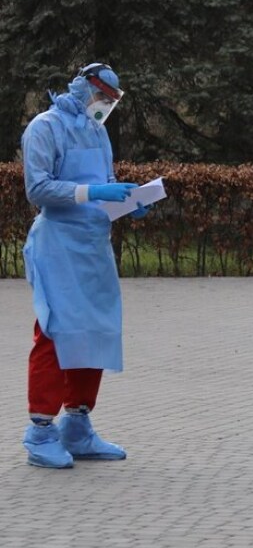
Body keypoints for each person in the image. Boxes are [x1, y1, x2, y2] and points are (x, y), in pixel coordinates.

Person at [21, 62, 149, 469]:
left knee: (95, 331)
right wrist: (93, 190)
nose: (106, 106)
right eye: (103, 97)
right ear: (82, 89)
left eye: (112, 101)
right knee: (56, 332)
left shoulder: (98, 131)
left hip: (93, 246)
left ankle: (77, 425)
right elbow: (38, 188)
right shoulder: (45, 127)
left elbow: (105, 182)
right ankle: (41, 430)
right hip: (57, 244)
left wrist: (128, 200)